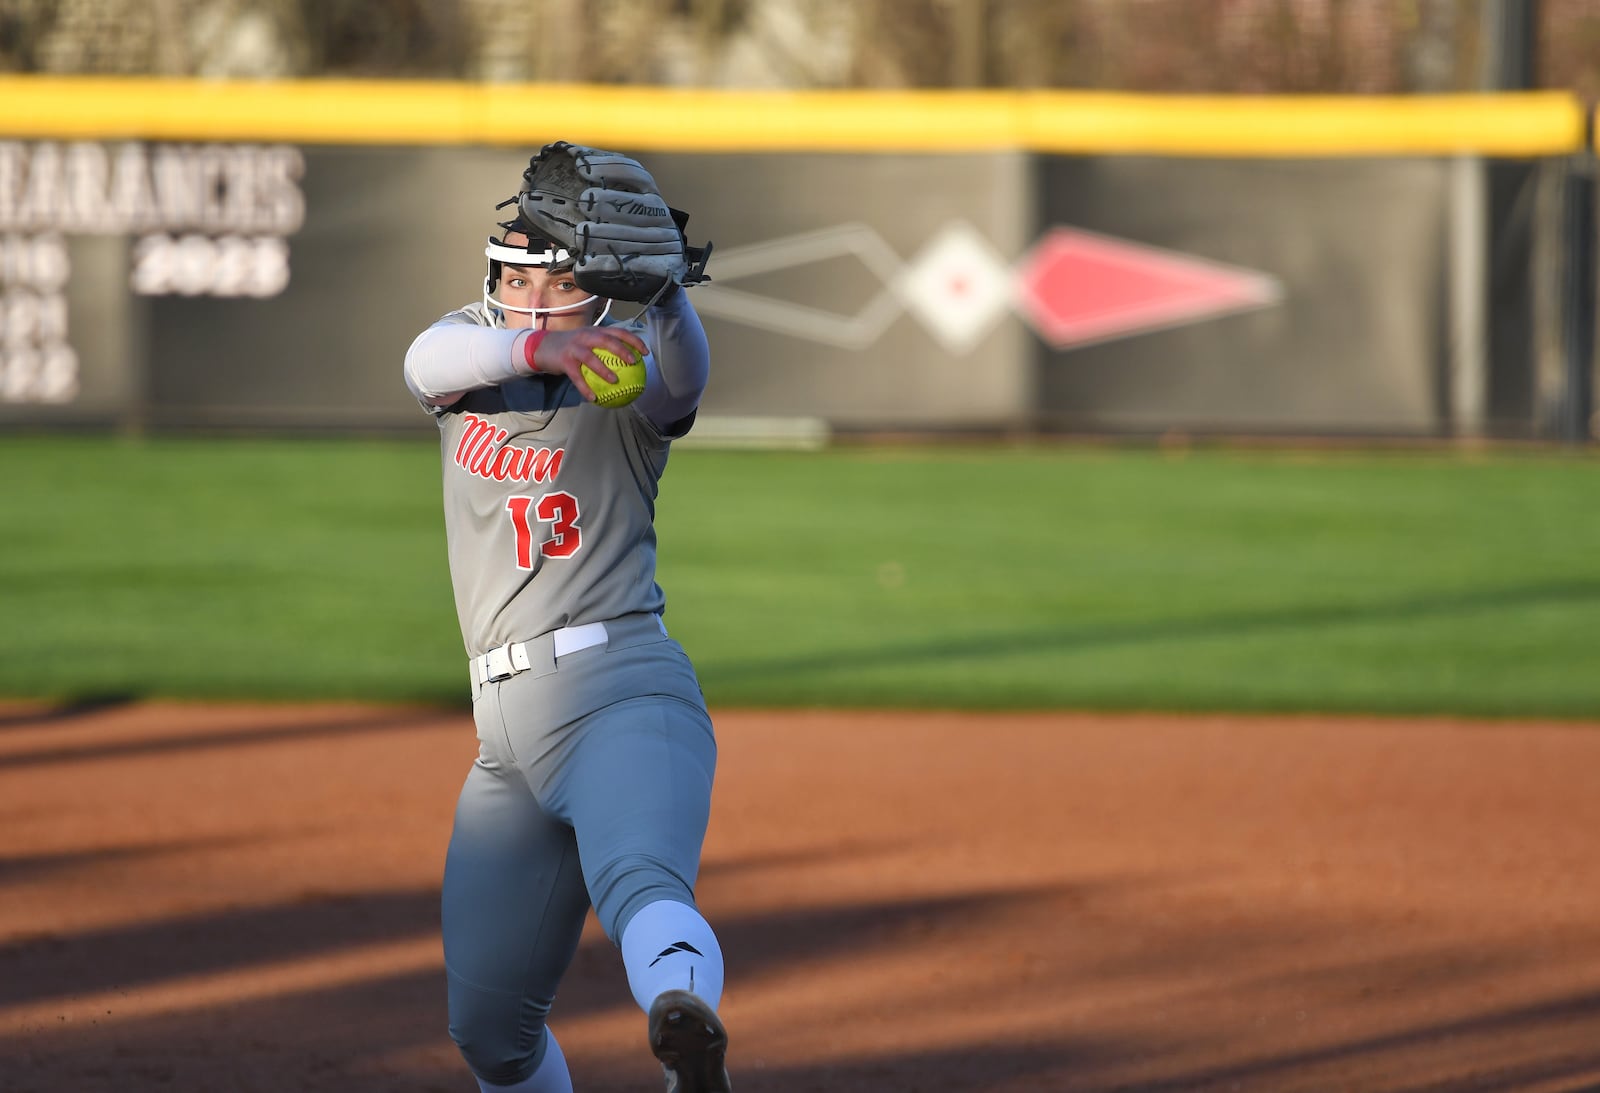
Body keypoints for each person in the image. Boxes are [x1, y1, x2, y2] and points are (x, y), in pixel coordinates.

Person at [402, 142, 730, 1093]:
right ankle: (674, 1015)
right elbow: (425, 359)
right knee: (491, 1033)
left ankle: (684, 1020)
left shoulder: (633, 370)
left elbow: (683, 381)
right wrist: (543, 345)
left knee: (644, 885)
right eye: (505, 271)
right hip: (502, 747)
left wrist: (667, 298)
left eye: (537, 278)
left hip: (619, 694)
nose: (514, 288)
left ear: (588, 285)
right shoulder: (470, 348)